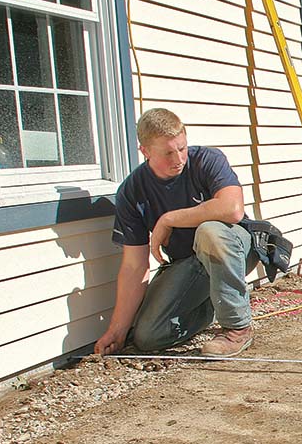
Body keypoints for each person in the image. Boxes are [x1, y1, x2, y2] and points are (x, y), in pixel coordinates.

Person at [94, 108, 257, 359]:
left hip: (236, 248)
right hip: (188, 264)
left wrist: (168, 220)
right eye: (168, 152)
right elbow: (134, 266)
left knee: (210, 231)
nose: (179, 158)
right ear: (145, 151)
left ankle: (237, 328)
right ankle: (212, 304)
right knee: (148, 336)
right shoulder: (132, 191)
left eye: (182, 148)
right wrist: (117, 330)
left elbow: (232, 209)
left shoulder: (207, 160)